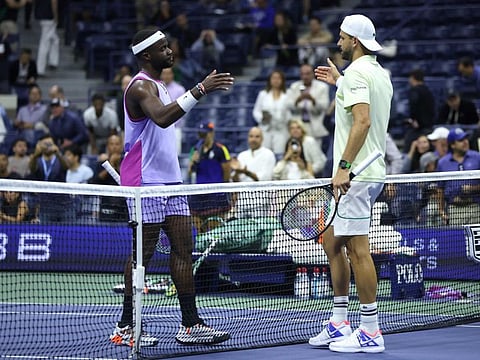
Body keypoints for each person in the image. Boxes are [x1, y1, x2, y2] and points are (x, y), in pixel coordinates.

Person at [110, 28, 233, 347]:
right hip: (145, 183)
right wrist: (200, 89)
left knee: (183, 248)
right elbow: (163, 119)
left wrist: (195, 91)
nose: (170, 51)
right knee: (143, 255)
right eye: (163, 48)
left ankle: (190, 324)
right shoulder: (138, 87)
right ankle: (125, 326)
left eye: (169, 46)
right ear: (146, 55)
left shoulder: (163, 86)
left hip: (171, 181)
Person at [311, 14, 392, 353]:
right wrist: (340, 83)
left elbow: (362, 120)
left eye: (342, 38)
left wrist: (343, 167)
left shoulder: (358, 73)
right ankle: (340, 321)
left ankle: (370, 330)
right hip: (362, 174)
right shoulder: (374, 73)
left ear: (354, 41)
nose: (339, 42)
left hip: (355, 176)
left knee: (358, 250)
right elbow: (360, 102)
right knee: (332, 242)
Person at [187, 120, 232, 232]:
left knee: (214, 229)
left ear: (211, 133)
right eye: (200, 134)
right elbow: (189, 171)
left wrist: (223, 189)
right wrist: (194, 161)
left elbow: (227, 171)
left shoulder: (220, 149)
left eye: (205, 134)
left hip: (216, 196)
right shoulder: (195, 149)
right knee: (198, 230)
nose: (202, 137)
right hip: (198, 195)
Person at [435, 127, 480, 226]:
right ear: (452, 145)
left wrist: (473, 188)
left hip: (476, 208)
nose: (465, 142)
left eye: (465, 139)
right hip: (454, 210)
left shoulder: (477, 157)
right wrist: (441, 211)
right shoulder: (443, 163)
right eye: (460, 140)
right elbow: (440, 189)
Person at [28, 134, 74, 223]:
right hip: (45, 205)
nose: (48, 146)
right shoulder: (37, 160)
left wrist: (58, 152)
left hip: (64, 204)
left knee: (67, 234)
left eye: (50, 144)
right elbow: (32, 168)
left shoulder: (60, 159)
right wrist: (36, 154)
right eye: (45, 144)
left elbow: (67, 166)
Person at [285, 63, 330, 153]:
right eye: (302, 74)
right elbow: (288, 105)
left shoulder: (322, 87)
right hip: (299, 126)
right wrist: (297, 100)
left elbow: (324, 106)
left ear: (313, 74)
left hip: (315, 127)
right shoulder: (294, 87)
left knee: (315, 153)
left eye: (307, 73)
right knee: (298, 153)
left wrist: (313, 100)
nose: (305, 76)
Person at [252, 69, 290, 154]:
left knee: (280, 153)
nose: (276, 81)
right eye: (274, 78)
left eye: (278, 78)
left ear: (282, 80)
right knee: (264, 153)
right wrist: (262, 118)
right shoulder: (263, 94)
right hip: (266, 129)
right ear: (270, 80)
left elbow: (290, 112)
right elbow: (256, 111)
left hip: (281, 130)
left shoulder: (287, 94)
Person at [403, 69, 435, 151]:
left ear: (413, 78)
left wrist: (413, 119)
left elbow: (414, 106)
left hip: (418, 127)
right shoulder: (428, 91)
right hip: (429, 125)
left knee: (408, 148)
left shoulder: (415, 91)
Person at [13, 84, 49, 148]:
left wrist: (32, 125)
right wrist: (19, 124)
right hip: (23, 136)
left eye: (36, 94)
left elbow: (46, 124)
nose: (34, 96)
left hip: (39, 136)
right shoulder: (22, 109)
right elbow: (18, 123)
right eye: (32, 94)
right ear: (29, 95)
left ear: (40, 96)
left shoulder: (45, 109)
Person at [161, 67, 186, 153]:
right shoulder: (157, 88)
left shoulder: (180, 89)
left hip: (175, 128)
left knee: (176, 154)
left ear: (172, 75)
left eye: (168, 73)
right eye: (164, 73)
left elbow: (183, 109)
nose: (166, 76)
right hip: (160, 128)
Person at [34, 0, 59, 77]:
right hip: (49, 16)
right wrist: (56, 16)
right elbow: (54, 2)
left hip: (42, 15)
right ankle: (39, 70)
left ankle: (53, 62)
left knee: (55, 39)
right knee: (45, 44)